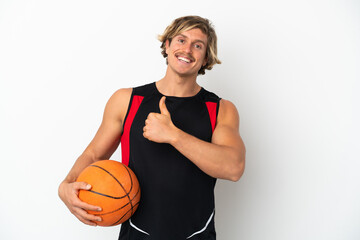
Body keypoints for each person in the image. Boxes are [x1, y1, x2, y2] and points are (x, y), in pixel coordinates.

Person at [58, 15, 246, 240]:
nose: (187, 50)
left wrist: (173, 135)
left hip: (197, 234)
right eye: (180, 40)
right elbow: (94, 153)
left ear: (206, 58)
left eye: (198, 46)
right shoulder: (126, 100)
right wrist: (66, 185)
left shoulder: (220, 109)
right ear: (167, 46)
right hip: (137, 234)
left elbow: (233, 168)